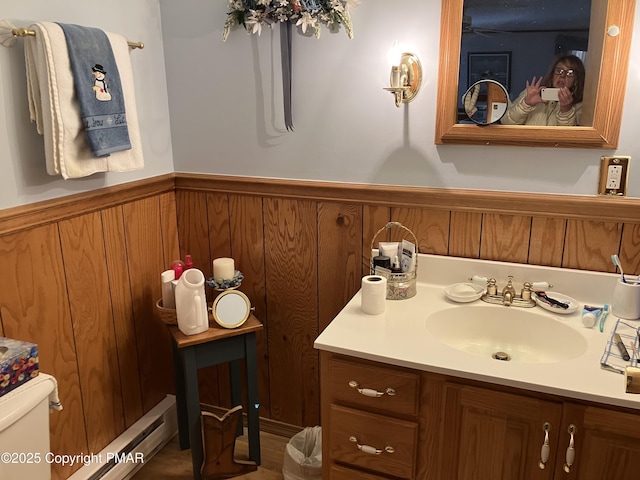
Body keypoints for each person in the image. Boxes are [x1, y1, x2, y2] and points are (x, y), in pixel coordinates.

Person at [501, 54, 585, 126]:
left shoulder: (581, 106)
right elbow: (506, 123)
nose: (562, 75)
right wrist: (526, 104)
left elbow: (569, 138)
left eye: (570, 73)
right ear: (552, 74)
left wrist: (566, 110)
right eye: (559, 70)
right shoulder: (533, 93)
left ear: (576, 80)